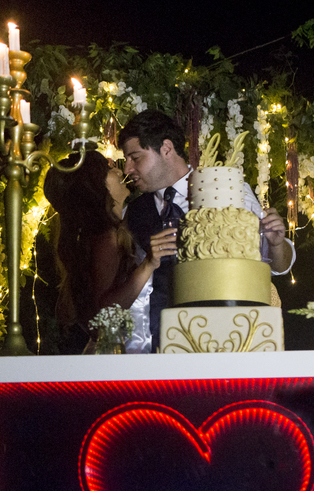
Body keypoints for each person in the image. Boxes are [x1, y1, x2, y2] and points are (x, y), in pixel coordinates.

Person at [118, 110, 294, 351]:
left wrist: (275, 243)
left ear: (166, 149)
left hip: (228, 336)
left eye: (135, 157)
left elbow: (277, 266)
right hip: (163, 346)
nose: (128, 168)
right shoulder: (133, 213)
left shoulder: (225, 188)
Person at [43, 149, 177, 353]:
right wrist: (148, 265)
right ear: (98, 187)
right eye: (108, 169)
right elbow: (102, 316)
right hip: (119, 353)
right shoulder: (107, 239)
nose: (116, 169)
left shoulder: (111, 232)